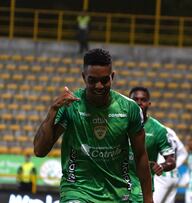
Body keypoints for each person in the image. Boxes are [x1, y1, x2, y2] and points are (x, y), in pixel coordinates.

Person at [33, 48, 153, 203]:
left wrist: (148, 199)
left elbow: (141, 155)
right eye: (92, 80)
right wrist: (53, 110)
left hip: (117, 193)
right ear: (84, 77)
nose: (99, 86)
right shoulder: (71, 105)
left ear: (112, 77)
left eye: (104, 80)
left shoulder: (129, 109)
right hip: (77, 190)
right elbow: (39, 150)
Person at [129, 86, 176, 203]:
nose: (139, 103)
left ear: (149, 103)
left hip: (141, 188)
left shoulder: (158, 129)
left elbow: (171, 160)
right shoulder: (119, 124)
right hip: (116, 184)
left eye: (143, 100)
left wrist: (162, 166)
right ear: (128, 102)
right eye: (135, 99)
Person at [153, 127, 188, 203]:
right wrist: (173, 165)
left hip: (161, 175)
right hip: (174, 176)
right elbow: (184, 153)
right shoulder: (170, 132)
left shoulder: (154, 129)